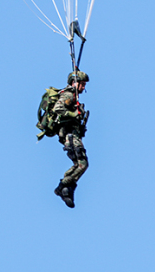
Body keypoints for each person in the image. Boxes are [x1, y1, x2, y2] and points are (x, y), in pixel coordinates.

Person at [53, 70, 89, 208]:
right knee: (82, 164)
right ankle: (63, 187)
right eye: (82, 84)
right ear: (75, 83)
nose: (84, 87)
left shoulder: (74, 97)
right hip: (70, 135)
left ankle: (66, 189)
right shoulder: (69, 95)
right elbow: (58, 109)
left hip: (74, 135)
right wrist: (74, 114)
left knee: (78, 164)